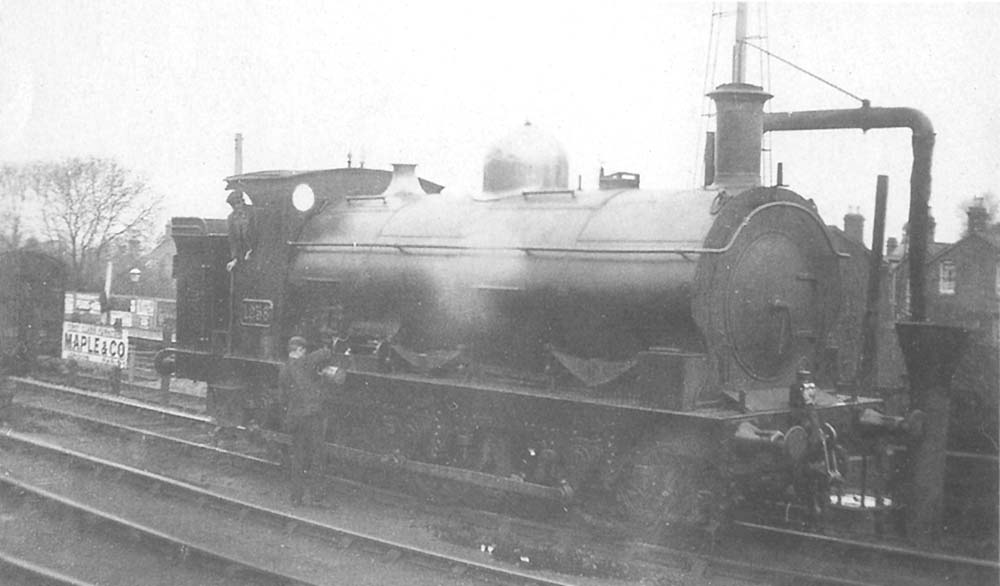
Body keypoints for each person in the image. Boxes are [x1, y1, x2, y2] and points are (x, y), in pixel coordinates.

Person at [278, 336, 344, 506]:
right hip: (311, 418)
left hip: (295, 418)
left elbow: (283, 397)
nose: (305, 353)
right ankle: (316, 496)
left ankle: (296, 498)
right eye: (304, 350)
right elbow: (323, 354)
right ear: (299, 350)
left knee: (298, 458)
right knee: (317, 456)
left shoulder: (284, 369)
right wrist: (331, 344)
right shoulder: (306, 363)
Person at [226, 189, 256, 271]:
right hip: (242, 255)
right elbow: (233, 241)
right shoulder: (231, 218)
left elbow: (260, 234)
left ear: (243, 201)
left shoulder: (253, 213)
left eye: (238, 203)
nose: (237, 206)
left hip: (258, 252)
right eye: (233, 205)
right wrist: (235, 259)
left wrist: (252, 251)